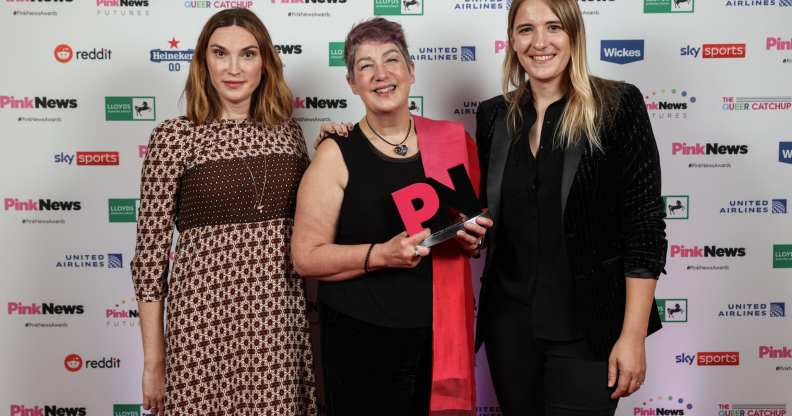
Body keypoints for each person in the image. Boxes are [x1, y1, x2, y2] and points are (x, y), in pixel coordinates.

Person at [291, 18, 491, 416]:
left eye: (391, 60)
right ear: (351, 82)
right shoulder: (336, 153)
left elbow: (471, 227)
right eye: (365, 66)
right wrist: (381, 254)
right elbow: (305, 256)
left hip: (436, 338)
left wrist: (474, 239)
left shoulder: (453, 141)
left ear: (412, 70)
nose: (381, 74)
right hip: (359, 338)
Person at [474, 0, 667, 414]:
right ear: (511, 39)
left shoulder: (617, 105)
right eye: (526, 29)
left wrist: (632, 336)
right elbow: (484, 213)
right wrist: (350, 134)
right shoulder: (493, 115)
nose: (539, 42)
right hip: (509, 327)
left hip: (589, 328)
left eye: (553, 28)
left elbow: (645, 227)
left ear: (574, 34)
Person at [131, 8, 316, 416]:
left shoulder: (289, 133)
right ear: (203, 62)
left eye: (247, 54)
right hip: (203, 326)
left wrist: (339, 145)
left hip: (278, 325)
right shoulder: (174, 137)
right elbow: (149, 261)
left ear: (265, 62)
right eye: (220, 54)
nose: (234, 68)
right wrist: (153, 362)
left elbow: (313, 229)